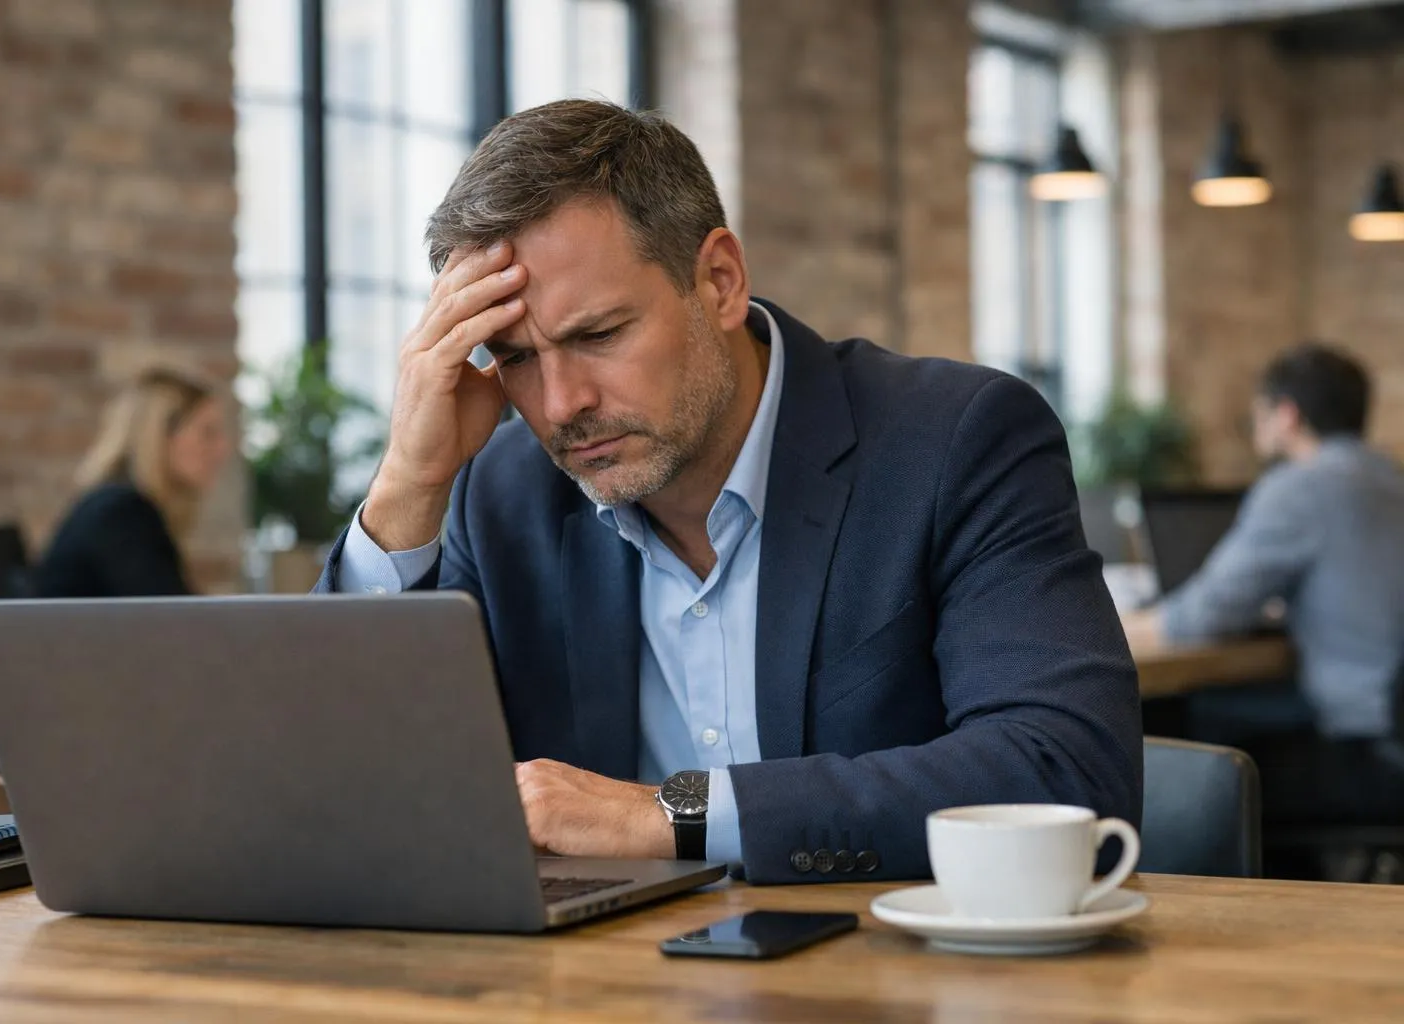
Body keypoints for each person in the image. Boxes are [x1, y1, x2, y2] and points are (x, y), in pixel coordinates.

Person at [318, 100, 1141, 882]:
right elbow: (337, 793)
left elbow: (1063, 767)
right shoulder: (497, 495)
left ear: (718, 281)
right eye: (517, 357)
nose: (563, 404)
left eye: (598, 335)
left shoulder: (954, 440)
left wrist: (670, 815)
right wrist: (408, 485)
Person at [1125, 344, 1404, 836]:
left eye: (1259, 410)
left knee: (1185, 724)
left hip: (1368, 747)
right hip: (1388, 729)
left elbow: (1204, 617)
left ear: (1287, 414)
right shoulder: (1389, 478)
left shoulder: (1299, 487)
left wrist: (1119, 622)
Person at [29, 367, 233, 599]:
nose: (222, 450)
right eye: (207, 433)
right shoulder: (121, 515)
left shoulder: (117, 508)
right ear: (158, 437)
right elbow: (177, 624)